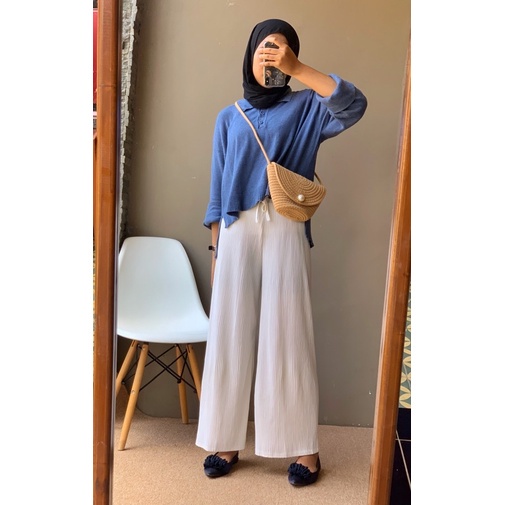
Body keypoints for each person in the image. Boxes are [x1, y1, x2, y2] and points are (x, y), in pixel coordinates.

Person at [195, 18, 367, 487]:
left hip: (287, 224)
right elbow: (217, 193)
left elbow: (353, 105)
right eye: (264, 48)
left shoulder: (307, 106)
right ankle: (225, 440)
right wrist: (215, 252)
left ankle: (304, 449)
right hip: (236, 230)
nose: (271, 55)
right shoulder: (229, 116)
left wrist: (299, 68)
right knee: (229, 332)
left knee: (288, 331)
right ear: (249, 55)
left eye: (281, 48)